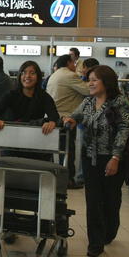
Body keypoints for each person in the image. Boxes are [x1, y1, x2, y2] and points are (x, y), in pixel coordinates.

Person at [63, 65, 129, 257]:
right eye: (89, 79)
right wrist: (69, 120)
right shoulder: (88, 102)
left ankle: (109, 231)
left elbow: (124, 129)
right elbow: (75, 116)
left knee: (111, 199)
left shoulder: (118, 102)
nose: (90, 83)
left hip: (113, 158)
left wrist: (115, 157)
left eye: (94, 79)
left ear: (106, 81)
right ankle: (95, 242)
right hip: (90, 158)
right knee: (93, 200)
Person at [0, 61, 60, 161]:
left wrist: (51, 122)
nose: (27, 76)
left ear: (38, 77)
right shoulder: (11, 95)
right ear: (19, 76)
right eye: (23, 72)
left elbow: (54, 115)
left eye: (32, 73)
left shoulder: (43, 96)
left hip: (35, 146)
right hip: (12, 145)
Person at [47, 54, 90, 188]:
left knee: (61, 150)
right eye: (74, 63)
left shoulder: (55, 75)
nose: (75, 66)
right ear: (68, 63)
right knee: (67, 150)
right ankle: (68, 180)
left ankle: (61, 178)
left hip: (56, 116)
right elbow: (88, 90)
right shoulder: (69, 75)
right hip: (65, 118)